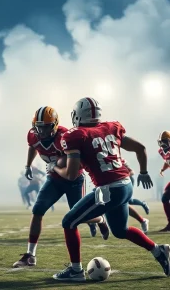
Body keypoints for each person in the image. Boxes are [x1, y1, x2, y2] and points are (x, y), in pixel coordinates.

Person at [51, 97, 170, 281]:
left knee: (69, 222)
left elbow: (72, 175)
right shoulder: (111, 127)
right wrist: (144, 171)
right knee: (120, 231)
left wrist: (56, 168)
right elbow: (140, 148)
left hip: (108, 189)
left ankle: (75, 271)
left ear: (77, 115)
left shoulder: (75, 135)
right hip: (125, 185)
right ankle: (158, 250)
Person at [12, 106, 108, 268]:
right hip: (54, 180)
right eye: (39, 126)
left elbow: (67, 166)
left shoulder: (65, 137)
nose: (41, 130)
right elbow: (33, 146)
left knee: (78, 217)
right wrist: (28, 165)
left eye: (45, 126)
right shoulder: (33, 135)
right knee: (37, 210)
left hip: (74, 179)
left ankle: (100, 219)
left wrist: (54, 165)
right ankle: (30, 255)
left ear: (55, 125)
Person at [157, 131, 170, 232]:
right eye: (161, 142)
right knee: (165, 197)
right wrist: (162, 169)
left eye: (165, 141)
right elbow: (168, 162)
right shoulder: (162, 151)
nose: (163, 144)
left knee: (165, 197)